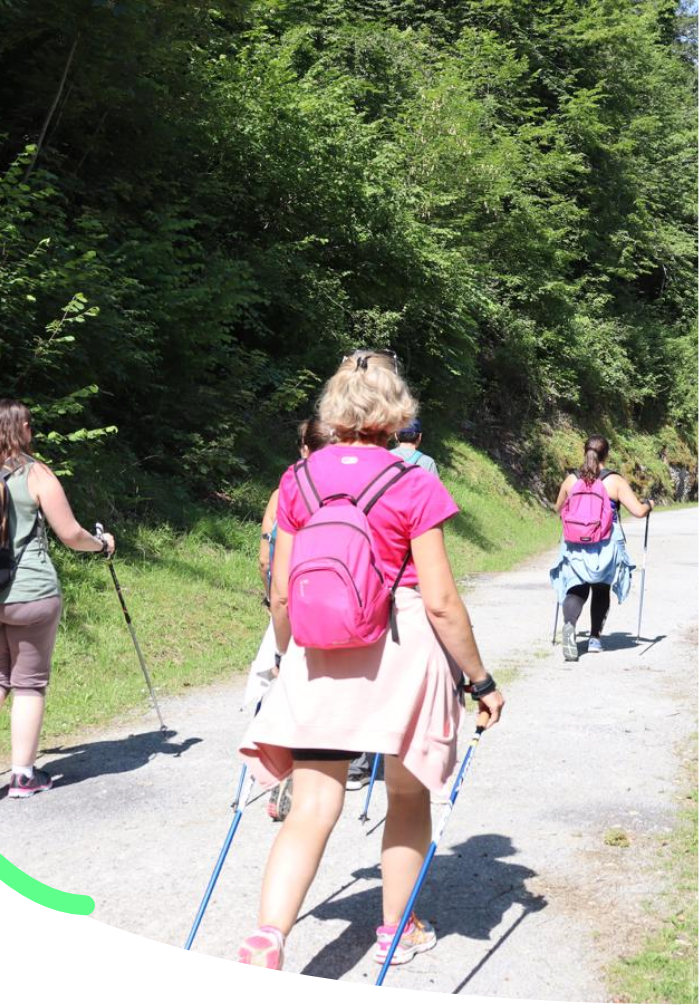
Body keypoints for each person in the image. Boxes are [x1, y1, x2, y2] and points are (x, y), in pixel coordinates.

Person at [238, 350, 504, 969]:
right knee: (407, 799)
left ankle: (267, 937)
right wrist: (480, 679)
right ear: (397, 414)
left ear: (333, 411)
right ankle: (396, 930)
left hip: (320, 652)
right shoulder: (414, 480)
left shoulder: (297, 481)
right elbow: (439, 600)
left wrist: (285, 659)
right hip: (402, 652)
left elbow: (281, 593)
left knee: (311, 804)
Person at [0, 399, 115, 800]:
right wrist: (102, 544)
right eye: (29, 425)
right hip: (29, 594)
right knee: (29, 685)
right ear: (20, 427)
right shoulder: (33, 472)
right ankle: (23, 775)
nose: (32, 432)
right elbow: (71, 533)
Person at [255, 418, 334, 821]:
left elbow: (268, 556)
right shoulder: (351, 488)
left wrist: (271, 601)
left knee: (275, 680)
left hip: (295, 601)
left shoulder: (286, 489)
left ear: (304, 447)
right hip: (344, 607)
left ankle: (280, 766)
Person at [551, 434, 653, 660]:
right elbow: (638, 511)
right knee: (600, 588)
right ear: (606, 454)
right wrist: (649, 505)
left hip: (575, 543)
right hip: (605, 543)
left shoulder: (571, 480)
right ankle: (595, 639)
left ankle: (569, 625)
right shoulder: (613, 481)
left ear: (584, 451)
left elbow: (558, 508)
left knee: (577, 587)